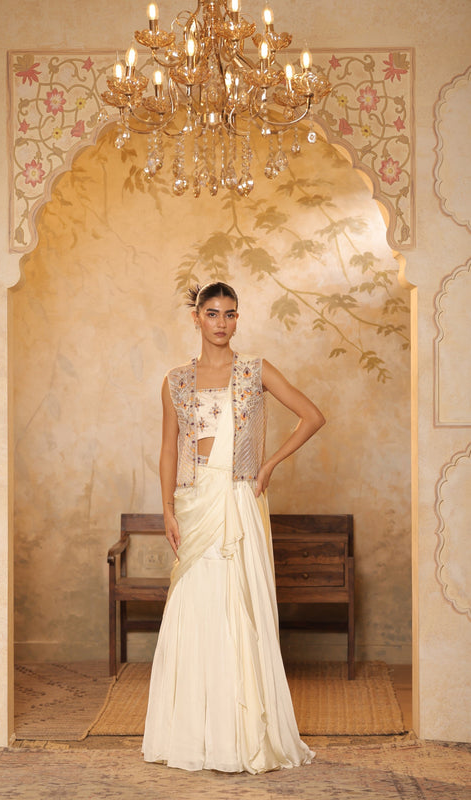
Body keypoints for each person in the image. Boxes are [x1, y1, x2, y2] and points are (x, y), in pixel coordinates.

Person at [142, 281, 325, 774]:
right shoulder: (176, 381)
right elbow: (167, 448)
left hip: (240, 497)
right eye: (212, 313)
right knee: (195, 608)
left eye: (230, 314)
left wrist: (269, 466)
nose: (222, 323)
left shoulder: (254, 371)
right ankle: (194, 735)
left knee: (239, 607)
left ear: (238, 319)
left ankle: (241, 735)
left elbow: (312, 416)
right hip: (195, 502)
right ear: (196, 317)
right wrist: (167, 508)